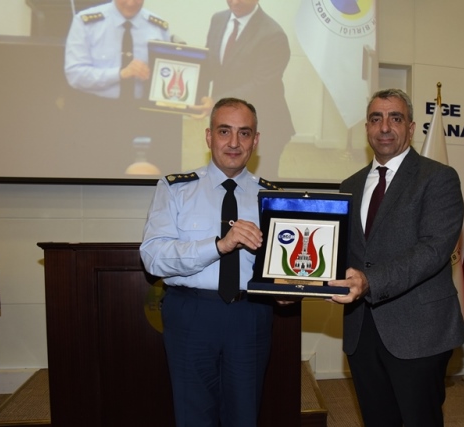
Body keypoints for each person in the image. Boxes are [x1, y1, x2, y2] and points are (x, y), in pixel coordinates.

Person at [328, 88, 464, 426]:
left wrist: (370, 281)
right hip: (361, 330)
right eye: (376, 119)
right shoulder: (349, 185)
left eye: (395, 118)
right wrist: (295, 282)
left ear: (411, 127)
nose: (385, 127)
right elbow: (338, 251)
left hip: (418, 330)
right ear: (367, 128)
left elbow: (433, 250)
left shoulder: (438, 178)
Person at [140, 97, 279, 426]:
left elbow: (280, 266)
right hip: (192, 314)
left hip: (250, 315)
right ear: (208, 136)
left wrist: (288, 290)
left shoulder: (272, 197)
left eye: (244, 133)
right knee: (193, 416)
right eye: (224, 131)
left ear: (256, 141)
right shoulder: (175, 189)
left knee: (245, 416)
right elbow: (153, 257)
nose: (234, 143)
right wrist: (218, 246)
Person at [62, 0, 184, 175]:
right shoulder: (86, 22)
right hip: (97, 114)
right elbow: (75, 74)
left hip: (142, 115)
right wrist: (120, 73)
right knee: (100, 173)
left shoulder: (158, 26)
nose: (130, 3)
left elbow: (165, 75)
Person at [194, 0, 295, 180]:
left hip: (264, 125)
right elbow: (210, 64)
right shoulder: (218, 19)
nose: (235, 2)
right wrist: (191, 95)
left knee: (258, 184)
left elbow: (262, 85)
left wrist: (215, 101)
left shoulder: (273, 34)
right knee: (221, 179)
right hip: (226, 123)